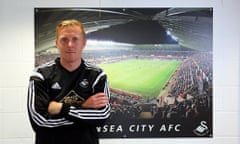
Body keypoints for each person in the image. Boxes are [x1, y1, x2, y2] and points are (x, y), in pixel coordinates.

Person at [27, 19, 111, 144]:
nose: (70, 44)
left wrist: (61, 108)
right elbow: (39, 121)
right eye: (64, 39)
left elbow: (102, 116)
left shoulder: (97, 74)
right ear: (57, 43)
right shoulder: (40, 74)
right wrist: (83, 108)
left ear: (83, 43)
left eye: (75, 39)